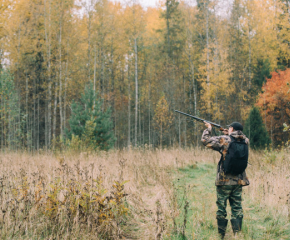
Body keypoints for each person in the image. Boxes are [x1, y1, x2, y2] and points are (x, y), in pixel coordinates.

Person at [201, 121, 250, 239]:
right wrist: (229, 133)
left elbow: (205, 140)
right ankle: (237, 234)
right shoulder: (245, 141)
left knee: (221, 207)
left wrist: (208, 128)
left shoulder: (224, 139)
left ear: (231, 129)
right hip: (239, 180)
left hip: (224, 180)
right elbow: (235, 138)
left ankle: (221, 235)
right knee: (237, 207)